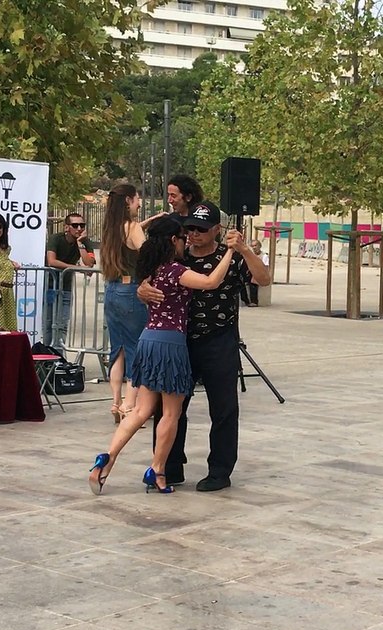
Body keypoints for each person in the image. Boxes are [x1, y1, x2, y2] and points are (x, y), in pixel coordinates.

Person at [88, 216, 236, 495]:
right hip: (171, 344)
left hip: (147, 340)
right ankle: (157, 470)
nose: (186, 241)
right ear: (173, 241)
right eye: (182, 237)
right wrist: (230, 251)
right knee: (171, 413)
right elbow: (211, 281)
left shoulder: (150, 271)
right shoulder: (174, 270)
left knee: (142, 411)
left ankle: (107, 458)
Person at [138, 200, 271, 492]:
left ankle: (220, 471)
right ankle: (168, 467)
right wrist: (141, 290)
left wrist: (245, 249)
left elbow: (263, 279)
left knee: (223, 408)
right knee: (170, 407)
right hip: (179, 341)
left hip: (219, 338)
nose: (194, 234)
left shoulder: (231, 257)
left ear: (217, 230)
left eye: (201, 229)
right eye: (190, 229)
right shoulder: (177, 257)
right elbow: (147, 280)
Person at [98, 183, 149, 424]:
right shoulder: (133, 227)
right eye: (137, 199)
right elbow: (146, 253)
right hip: (131, 291)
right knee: (135, 349)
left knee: (116, 349)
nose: (139, 203)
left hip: (112, 289)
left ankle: (116, 402)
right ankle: (131, 406)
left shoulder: (110, 229)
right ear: (128, 200)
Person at [42, 212, 96, 350]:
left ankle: (59, 356)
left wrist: (80, 244)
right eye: (75, 225)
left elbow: (89, 264)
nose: (79, 228)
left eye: (82, 225)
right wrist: (75, 267)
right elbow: (51, 261)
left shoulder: (84, 241)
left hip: (66, 287)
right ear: (66, 227)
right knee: (49, 323)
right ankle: (48, 356)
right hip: (50, 286)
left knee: (62, 324)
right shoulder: (56, 239)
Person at [240, 238, 266, 307]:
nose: (254, 248)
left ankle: (254, 301)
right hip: (249, 273)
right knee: (240, 282)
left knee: (253, 283)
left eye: (255, 245)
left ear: (260, 246)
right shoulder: (250, 255)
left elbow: (265, 267)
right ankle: (245, 300)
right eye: (253, 246)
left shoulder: (264, 256)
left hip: (258, 274)